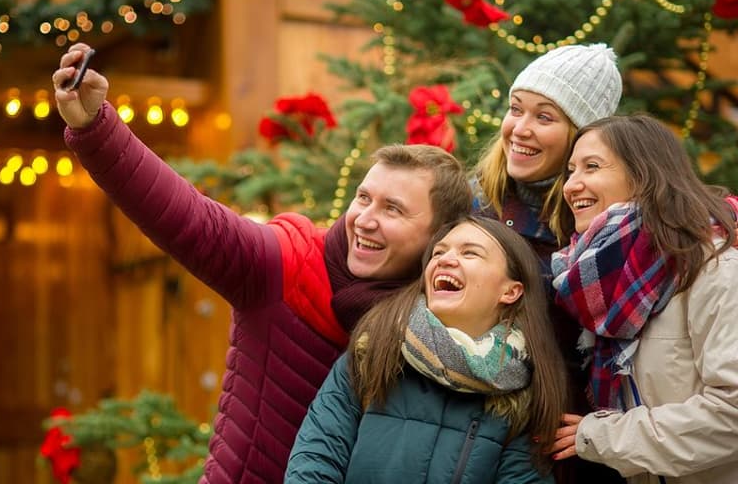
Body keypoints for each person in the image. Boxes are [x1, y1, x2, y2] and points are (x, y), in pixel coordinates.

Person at [52, 43, 473, 483]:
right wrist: (96, 129)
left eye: (393, 209)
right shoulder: (286, 264)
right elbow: (184, 215)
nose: (365, 220)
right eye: (363, 198)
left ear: (438, 237)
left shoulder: (448, 329)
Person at [285, 215, 568, 483]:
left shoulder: (521, 393)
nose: (445, 259)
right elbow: (316, 457)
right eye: (438, 252)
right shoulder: (372, 351)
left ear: (510, 291)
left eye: (470, 253)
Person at [549, 114, 738, 483]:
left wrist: (605, 436)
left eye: (592, 166)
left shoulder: (714, 268)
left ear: (643, 175)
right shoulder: (599, 282)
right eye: (570, 171)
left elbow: (732, 412)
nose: (571, 185)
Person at [471, 44, 625, 483]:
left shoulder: (600, 229)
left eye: (544, 117)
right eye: (516, 109)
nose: (520, 129)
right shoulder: (471, 201)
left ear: (580, 137)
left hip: (550, 444)